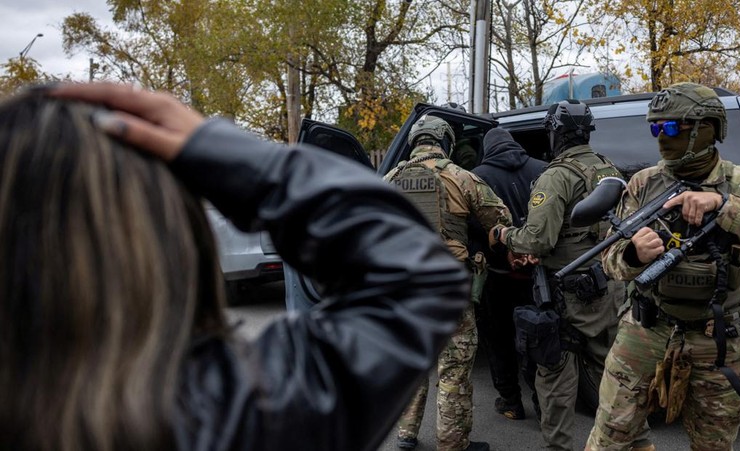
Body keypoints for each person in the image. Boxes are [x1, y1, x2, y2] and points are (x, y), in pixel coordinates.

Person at [0, 83, 471, 451]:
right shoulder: (232, 417)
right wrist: (223, 151)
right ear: (172, 238)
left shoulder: (391, 176)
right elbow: (419, 274)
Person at [584, 82, 740, 450]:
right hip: (646, 330)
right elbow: (611, 261)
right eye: (655, 128)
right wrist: (634, 254)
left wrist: (724, 207)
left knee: (713, 444)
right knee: (609, 439)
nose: (661, 137)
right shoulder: (644, 183)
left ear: (708, 129)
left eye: (671, 128)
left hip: (716, 338)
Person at [491, 99, 643, 451]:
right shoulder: (610, 169)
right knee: (614, 373)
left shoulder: (557, 176)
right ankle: (636, 440)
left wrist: (503, 235)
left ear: (556, 133)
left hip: (570, 293)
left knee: (555, 373)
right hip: (609, 285)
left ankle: (559, 446)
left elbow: (537, 239)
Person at [385, 115, 511, 451]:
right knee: (453, 368)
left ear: (414, 142)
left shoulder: (389, 180)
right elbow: (500, 219)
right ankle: (453, 443)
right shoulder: (460, 176)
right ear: (445, 142)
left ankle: (406, 434)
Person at [470, 127, 547, 421]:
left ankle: (511, 401)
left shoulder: (477, 176)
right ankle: (544, 403)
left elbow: (474, 228)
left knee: (498, 338)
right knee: (538, 339)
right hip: (538, 276)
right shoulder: (543, 170)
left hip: (498, 274)